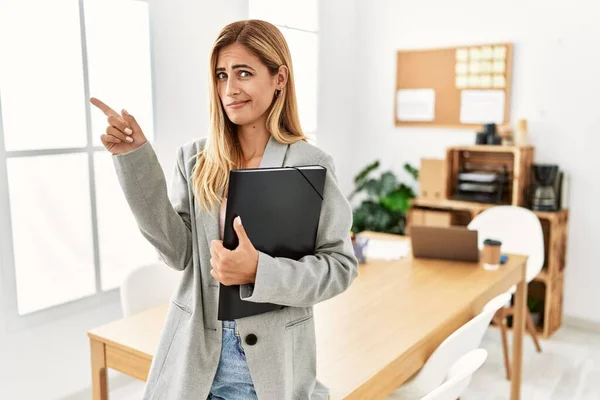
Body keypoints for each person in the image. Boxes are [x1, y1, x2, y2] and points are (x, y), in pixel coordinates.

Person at [90, 19, 358, 400]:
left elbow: (340, 268)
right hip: (195, 362)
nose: (230, 89)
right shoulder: (196, 158)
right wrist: (135, 161)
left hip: (270, 370)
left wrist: (259, 271)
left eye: (244, 73)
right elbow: (177, 253)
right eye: (221, 75)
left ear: (279, 78)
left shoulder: (309, 164)